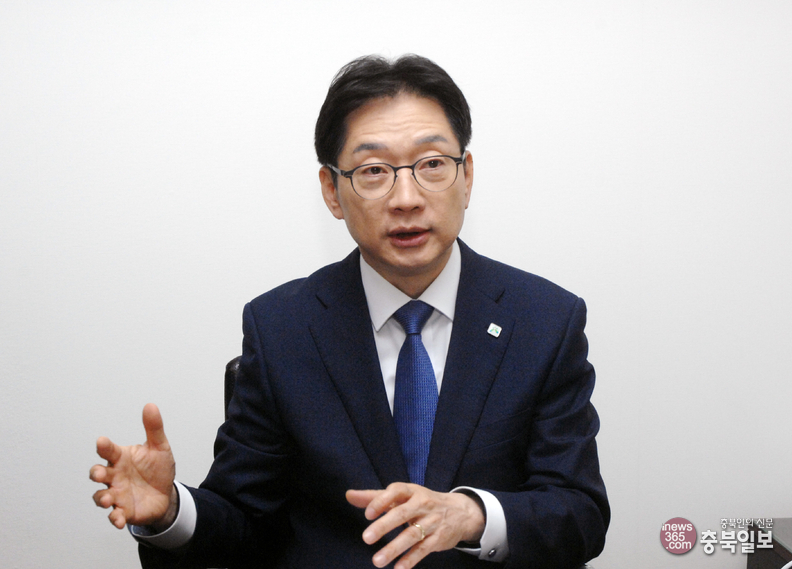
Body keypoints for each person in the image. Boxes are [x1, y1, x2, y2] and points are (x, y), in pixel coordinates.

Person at [90, 54, 609, 569]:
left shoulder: (544, 321)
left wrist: (472, 516)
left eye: (432, 164)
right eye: (373, 171)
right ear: (332, 191)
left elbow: (579, 514)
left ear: (466, 176)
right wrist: (170, 512)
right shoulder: (282, 328)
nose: (406, 198)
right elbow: (245, 521)